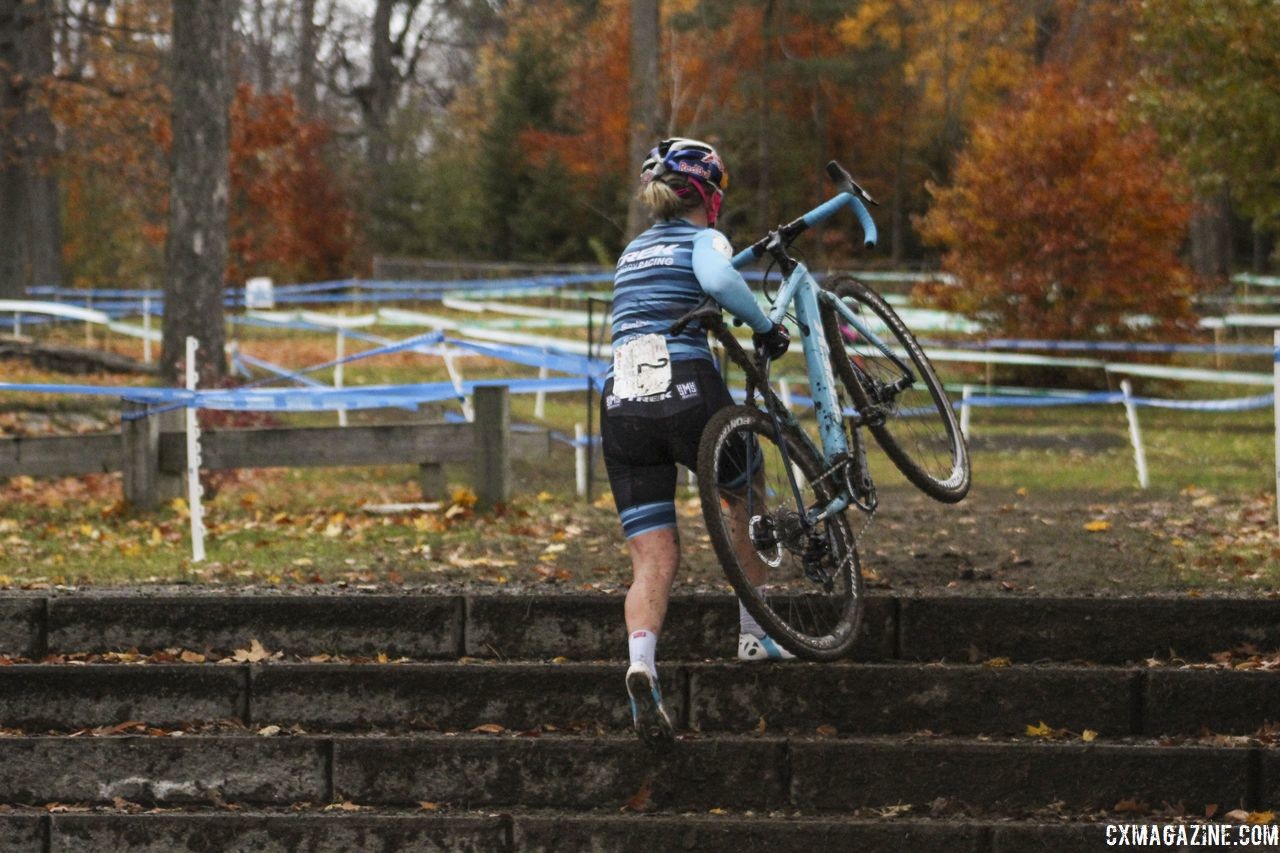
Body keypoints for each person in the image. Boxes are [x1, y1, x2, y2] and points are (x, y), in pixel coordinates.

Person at [602, 137, 794, 749]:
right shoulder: (702, 238)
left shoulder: (631, 250)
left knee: (653, 557)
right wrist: (767, 326)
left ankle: (642, 662)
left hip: (620, 400)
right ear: (708, 195)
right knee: (747, 491)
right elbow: (717, 276)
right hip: (684, 381)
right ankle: (754, 630)